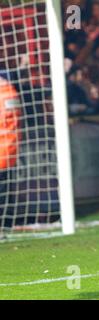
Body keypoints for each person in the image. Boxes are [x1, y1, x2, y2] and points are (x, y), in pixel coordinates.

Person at [0, 74, 21, 231]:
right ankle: (6, 226)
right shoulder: (10, 89)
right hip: (10, 148)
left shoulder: (5, 91)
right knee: (6, 190)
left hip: (4, 147)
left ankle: (4, 225)